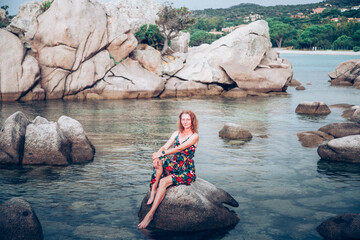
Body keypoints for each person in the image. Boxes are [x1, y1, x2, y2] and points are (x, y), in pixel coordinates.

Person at [138, 110, 199, 229]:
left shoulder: (194, 136)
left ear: (192, 121)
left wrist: (160, 154)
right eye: (183, 119)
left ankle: (150, 214)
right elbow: (165, 146)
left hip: (186, 170)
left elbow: (179, 149)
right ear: (180, 121)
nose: (185, 122)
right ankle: (154, 189)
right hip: (175, 166)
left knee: (163, 181)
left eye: (188, 119)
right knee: (158, 161)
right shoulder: (176, 133)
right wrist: (157, 155)